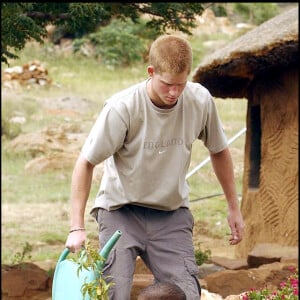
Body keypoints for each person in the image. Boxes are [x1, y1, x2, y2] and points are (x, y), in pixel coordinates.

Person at [65, 34, 245, 300]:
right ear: (151, 72)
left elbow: (219, 151)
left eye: (181, 84)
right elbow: (86, 162)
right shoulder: (122, 107)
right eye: (167, 84)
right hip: (120, 212)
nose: (174, 93)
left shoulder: (200, 101)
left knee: (186, 294)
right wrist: (76, 227)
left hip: (171, 213)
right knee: (113, 292)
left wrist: (233, 207)